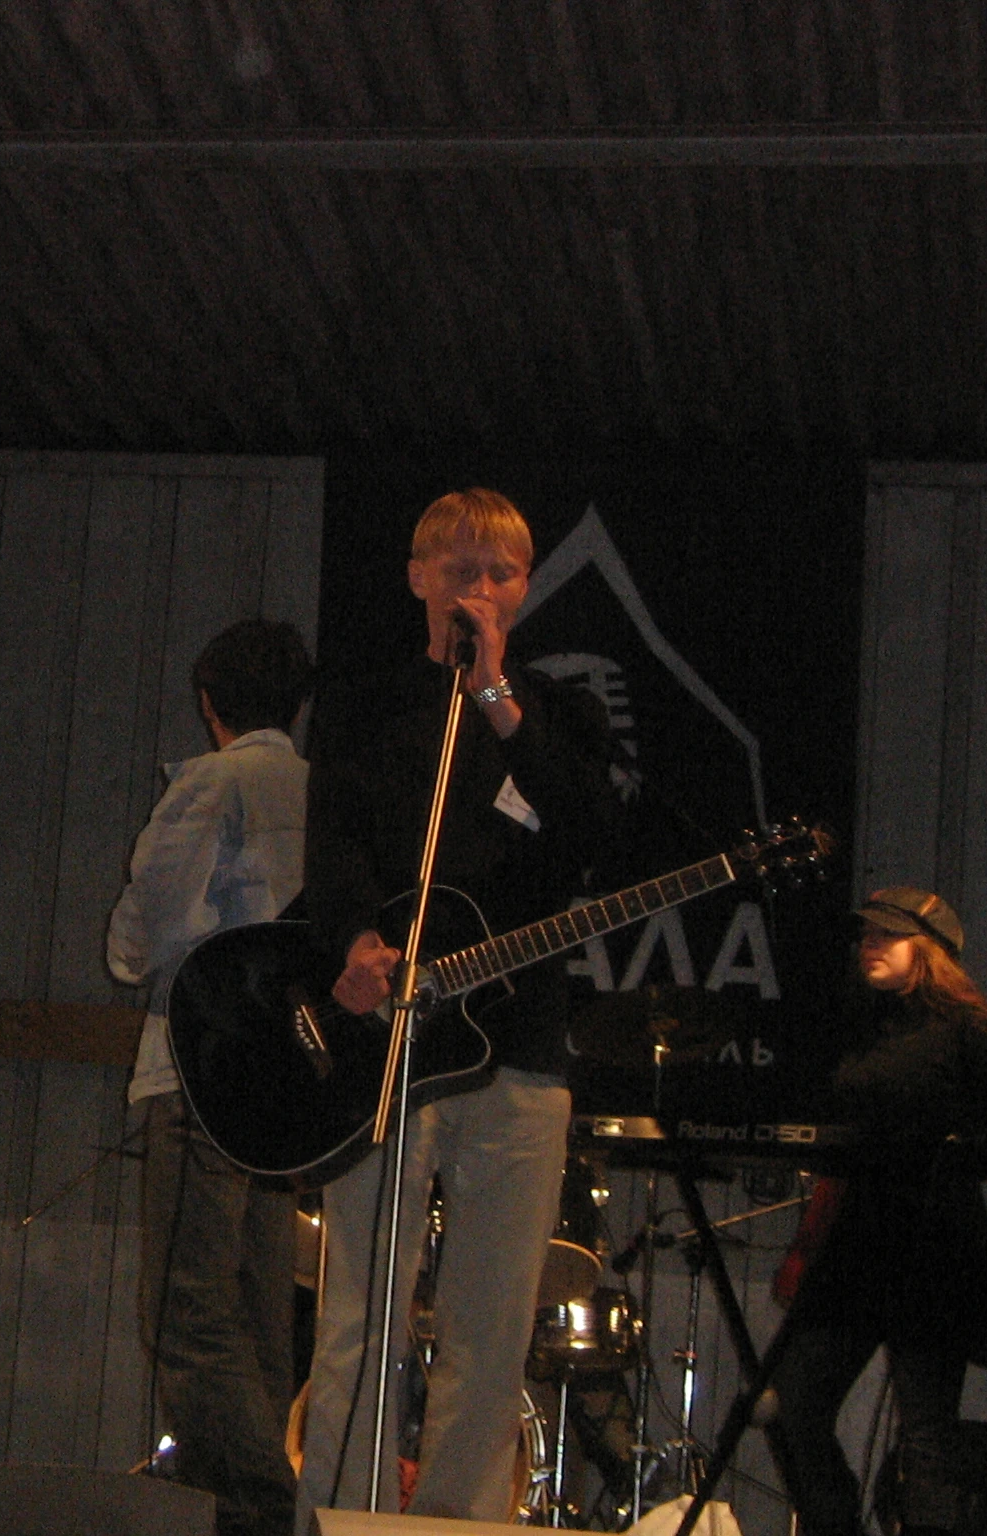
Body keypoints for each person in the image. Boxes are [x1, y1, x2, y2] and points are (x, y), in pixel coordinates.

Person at [295, 488, 617, 1529]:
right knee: (362, 1312)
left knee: (491, 1326)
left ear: (522, 589)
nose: (479, 588)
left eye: (499, 572)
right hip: (391, 1039)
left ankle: (461, 1524)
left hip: (519, 1044)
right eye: (460, 569)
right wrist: (353, 943)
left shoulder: (557, 714)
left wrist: (497, 699)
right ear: (417, 579)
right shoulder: (363, 706)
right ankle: (339, 1517)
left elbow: (587, 837)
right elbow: (332, 843)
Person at [107, 618, 315, 1536]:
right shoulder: (320, 792)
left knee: (183, 1310)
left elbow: (140, 933)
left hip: (205, 1065)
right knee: (259, 1311)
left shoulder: (213, 782)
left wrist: (137, 949)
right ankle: (246, 1504)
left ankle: (260, 1507)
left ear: (208, 703)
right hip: (287, 1085)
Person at [770, 888, 987, 1536]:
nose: (868, 946)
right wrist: (804, 1253)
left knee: (925, 1433)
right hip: (859, 1241)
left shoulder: (972, 1029)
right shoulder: (864, 1028)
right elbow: (843, 1154)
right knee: (793, 1404)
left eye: (886, 936)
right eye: (865, 935)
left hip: (934, 1242)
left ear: (929, 950)